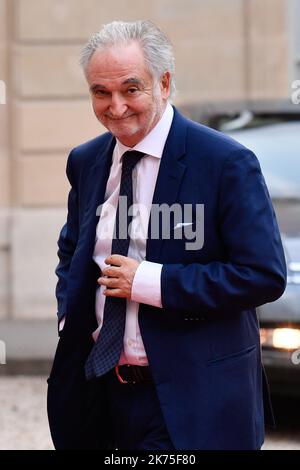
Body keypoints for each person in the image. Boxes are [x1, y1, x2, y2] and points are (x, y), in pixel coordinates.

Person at [47, 20, 286, 450]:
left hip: (197, 404)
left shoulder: (225, 162)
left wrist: (149, 282)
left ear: (164, 82)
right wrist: (71, 315)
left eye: (130, 89)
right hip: (102, 396)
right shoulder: (85, 161)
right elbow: (73, 250)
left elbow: (262, 274)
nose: (115, 106)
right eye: (101, 92)